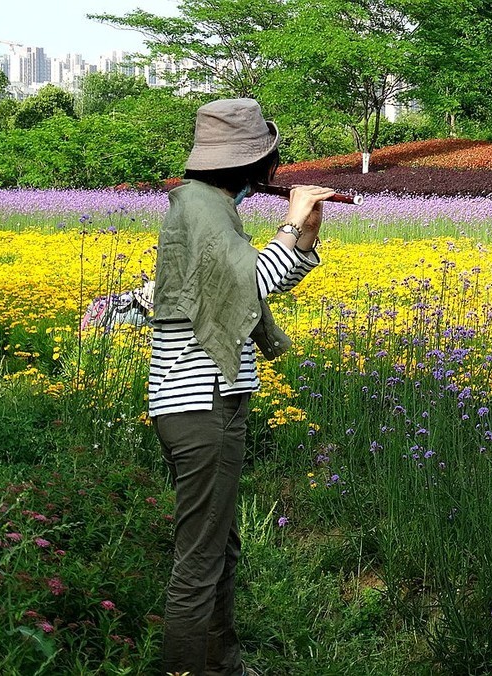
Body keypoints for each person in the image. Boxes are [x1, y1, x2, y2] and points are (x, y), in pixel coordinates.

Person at [148, 98, 337, 676]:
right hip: (203, 405)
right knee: (200, 559)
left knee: (218, 548)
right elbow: (246, 287)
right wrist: (292, 227)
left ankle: (220, 665)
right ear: (255, 162)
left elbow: (218, 289)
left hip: (191, 403)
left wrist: (302, 240)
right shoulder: (206, 211)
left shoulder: (200, 205)